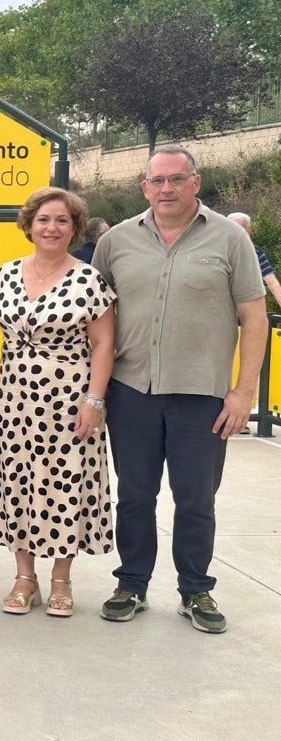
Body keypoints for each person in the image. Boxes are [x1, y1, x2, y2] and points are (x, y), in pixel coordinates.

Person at [93, 146, 267, 634]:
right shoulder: (118, 241)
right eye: (156, 181)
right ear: (144, 187)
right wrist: (95, 390)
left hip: (202, 397)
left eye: (176, 179)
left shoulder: (231, 239)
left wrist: (243, 393)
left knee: (195, 499)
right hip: (131, 393)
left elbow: (254, 319)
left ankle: (195, 589)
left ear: (195, 182)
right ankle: (132, 583)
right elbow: (99, 323)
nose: (165, 189)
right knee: (134, 496)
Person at [0, 187, 116, 617]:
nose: (51, 227)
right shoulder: (6, 274)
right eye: (44, 220)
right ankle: (25, 577)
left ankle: (61, 578)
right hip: (15, 399)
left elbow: (103, 343)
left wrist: (94, 400)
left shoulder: (89, 279)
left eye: (62, 220)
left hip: (70, 399)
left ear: (74, 228)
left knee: (66, 484)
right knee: (17, 480)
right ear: (29, 226)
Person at [226, 212, 281, 307]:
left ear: (248, 231)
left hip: (247, 307)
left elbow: (272, 282)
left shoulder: (255, 252)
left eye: (240, 230)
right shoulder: (218, 252)